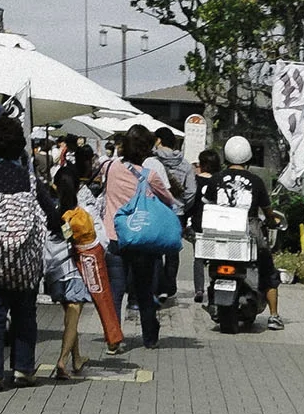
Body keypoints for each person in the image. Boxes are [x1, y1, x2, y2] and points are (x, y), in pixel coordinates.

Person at [0, 117, 57, 392]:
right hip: (24, 260)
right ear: (20, 147)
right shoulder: (29, 180)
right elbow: (52, 216)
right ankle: (23, 370)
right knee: (24, 313)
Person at [99, 125, 181, 348]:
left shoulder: (111, 168)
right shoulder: (150, 175)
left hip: (115, 238)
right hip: (142, 239)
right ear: (146, 149)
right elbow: (169, 200)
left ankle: (113, 339)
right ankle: (149, 338)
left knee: (115, 292)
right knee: (144, 290)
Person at [199, 137, 282, 328]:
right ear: (249, 158)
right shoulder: (256, 181)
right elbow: (268, 211)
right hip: (248, 233)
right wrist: (271, 221)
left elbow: (206, 206)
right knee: (268, 271)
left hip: (218, 235)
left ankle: (213, 298)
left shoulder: (215, 179)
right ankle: (274, 316)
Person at [44, 145, 93, 379]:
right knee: (74, 313)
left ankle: (76, 358)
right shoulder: (74, 214)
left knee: (69, 317)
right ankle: (63, 361)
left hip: (51, 273)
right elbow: (79, 238)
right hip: (71, 271)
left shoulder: (48, 210)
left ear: (55, 186)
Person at [151, 127, 196, 306]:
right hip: (177, 213)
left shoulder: (152, 161)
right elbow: (192, 190)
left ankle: (157, 286)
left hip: (156, 211)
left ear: (159, 140)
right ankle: (170, 287)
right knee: (172, 252)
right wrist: (182, 204)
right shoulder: (185, 164)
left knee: (154, 250)